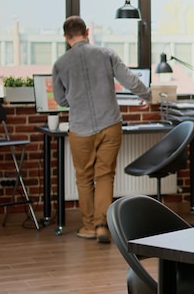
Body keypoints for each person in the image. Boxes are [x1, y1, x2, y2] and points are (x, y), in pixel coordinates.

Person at [52, 15, 151, 243]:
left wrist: (75, 99)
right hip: (110, 124)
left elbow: (60, 99)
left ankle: (88, 227)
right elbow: (130, 80)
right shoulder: (106, 54)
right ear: (87, 32)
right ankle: (101, 225)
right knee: (105, 175)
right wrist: (147, 95)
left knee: (84, 177)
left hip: (80, 128)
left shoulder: (60, 64)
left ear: (66, 37)